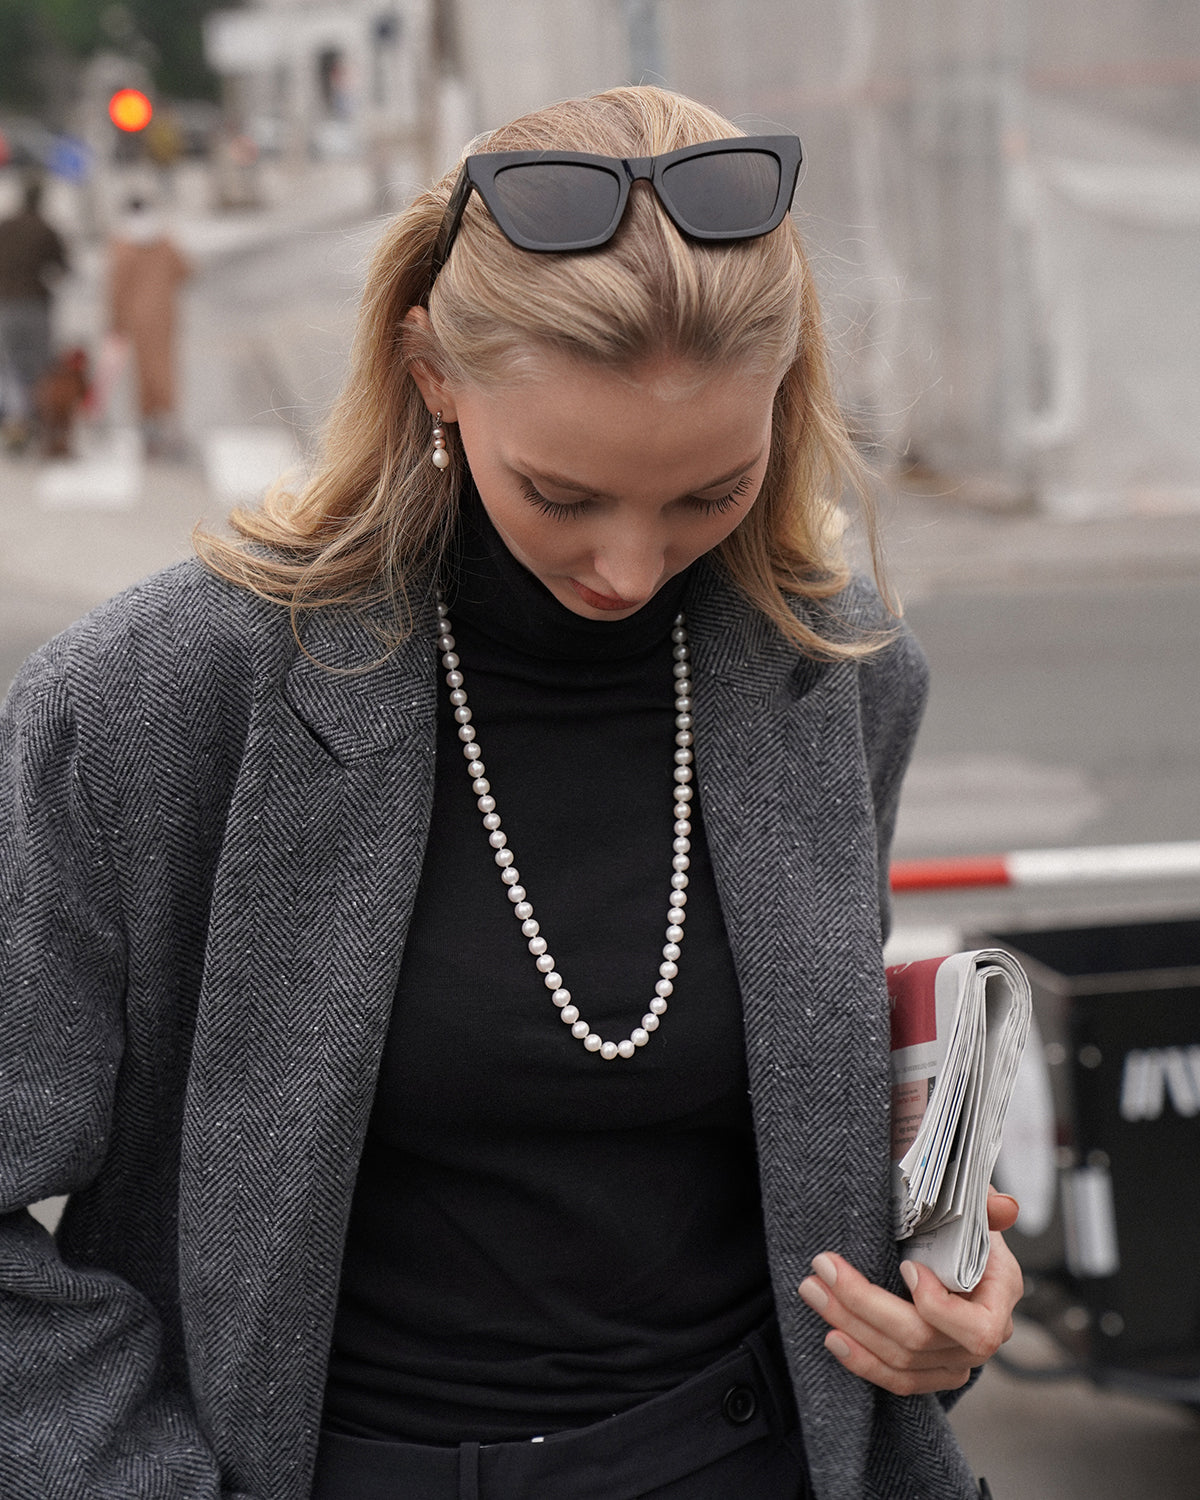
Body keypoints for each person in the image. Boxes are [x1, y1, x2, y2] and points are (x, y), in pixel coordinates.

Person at [0, 86, 1022, 1500]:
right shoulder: (153, 703)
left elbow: (812, 1134)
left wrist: (935, 1308)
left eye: (710, 493)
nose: (630, 568)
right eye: (562, 493)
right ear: (428, 371)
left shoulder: (834, 668)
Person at [107, 195, 191, 458]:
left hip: (136, 318)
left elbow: (116, 287)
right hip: (164, 316)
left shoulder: (123, 245)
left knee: (143, 371)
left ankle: (148, 424)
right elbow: (187, 271)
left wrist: (115, 321)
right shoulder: (165, 242)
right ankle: (168, 419)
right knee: (164, 367)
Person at [0, 175, 68, 451]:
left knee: (9, 365)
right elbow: (63, 267)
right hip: (36, 306)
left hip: (5, 304)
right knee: (38, 365)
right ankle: (36, 417)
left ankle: (15, 420)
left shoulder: (5, 227)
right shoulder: (46, 229)